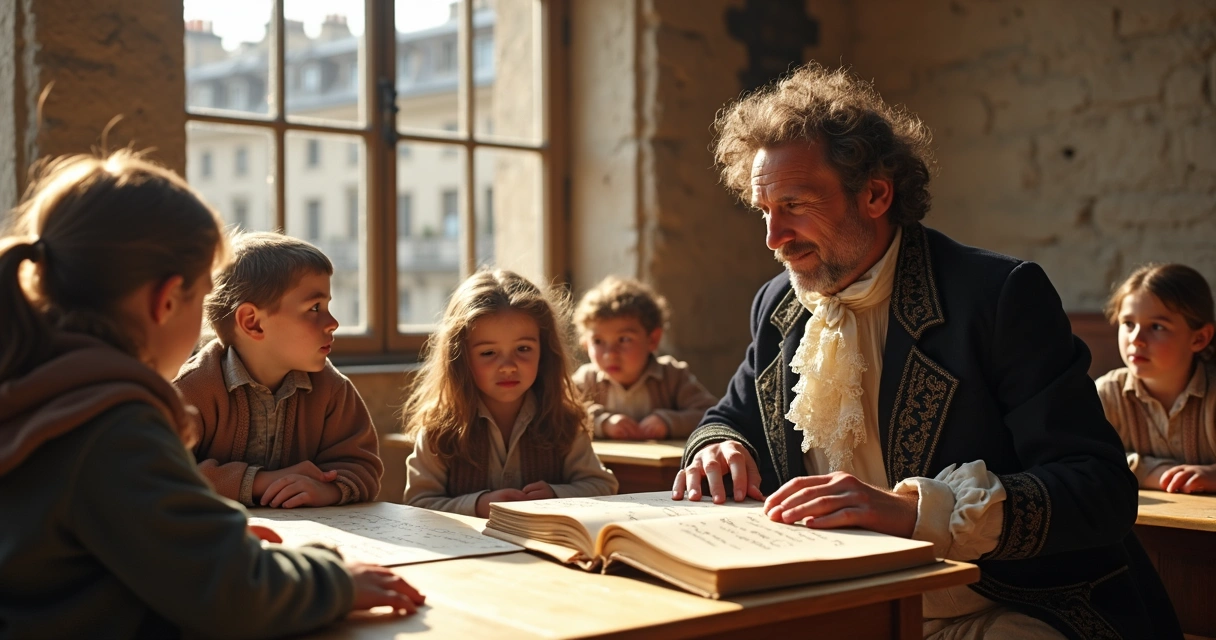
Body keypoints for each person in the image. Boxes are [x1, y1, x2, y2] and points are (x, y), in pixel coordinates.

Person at [671, 63, 1181, 639]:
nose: (773, 237)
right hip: (840, 607)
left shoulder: (997, 295)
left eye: (796, 204)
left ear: (876, 194)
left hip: (1000, 607)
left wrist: (917, 512)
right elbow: (729, 417)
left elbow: (1099, 488)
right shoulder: (778, 305)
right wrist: (718, 447)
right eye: (764, 210)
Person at [0, 152, 423, 638]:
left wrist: (209, 533)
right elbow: (235, 595)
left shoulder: (41, 391)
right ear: (165, 300)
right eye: (202, 296)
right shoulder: (109, 422)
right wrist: (333, 577)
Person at [174, 232, 382, 508]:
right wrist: (261, 481)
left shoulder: (332, 390)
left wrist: (328, 490)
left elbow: (363, 467)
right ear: (253, 323)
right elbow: (161, 474)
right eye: (315, 307)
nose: (333, 322)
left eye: (328, 306)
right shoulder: (191, 390)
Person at [403, 269, 618, 516]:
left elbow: (603, 486)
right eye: (488, 353)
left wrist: (556, 496)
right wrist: (478, 505)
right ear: (460, 359)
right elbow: (417, 504)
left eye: (523, 348)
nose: (508, 366)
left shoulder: (563, 421)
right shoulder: (438, 430)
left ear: (544, 351)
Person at [1096, 263, 1216, 494]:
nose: (1136, 339)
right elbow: (1083, 462)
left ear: (1200, 338)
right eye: (1128, 324)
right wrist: (1151, 472)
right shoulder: (1106, 395)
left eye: (1157, 326)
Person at [572, 276, 718, 440]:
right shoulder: (586, 380)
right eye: (598, 341)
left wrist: (668, 421)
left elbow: (710, 414)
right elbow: (563, 414)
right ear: (585, 344)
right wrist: (603, 422)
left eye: (624, 339)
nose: (610, 353)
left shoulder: (672, 376)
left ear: (653, 339)